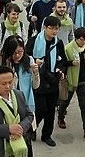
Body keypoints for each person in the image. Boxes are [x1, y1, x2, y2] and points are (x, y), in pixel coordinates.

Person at [25, 16, 70, 147]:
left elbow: (63, 61)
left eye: (57, 29)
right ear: (45, 27)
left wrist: (60, 70)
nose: (54, 31)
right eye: (51, 28)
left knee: (51, 110)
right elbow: (26, 57)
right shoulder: (34, 41)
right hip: (39, 79)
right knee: (40, 109)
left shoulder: (58, 43)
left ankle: (47, 135)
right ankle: (32, 128)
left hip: (53, 80)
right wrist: (34, 60)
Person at [58, 27, 85, 138]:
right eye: (82, 39)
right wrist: (71, 63)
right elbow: (62, 63)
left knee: (84, 105)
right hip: (71, 80)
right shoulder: (68, 48)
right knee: (65, 101)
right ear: (76, 38)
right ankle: (61, 118)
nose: (83, 42)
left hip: (84, 80)